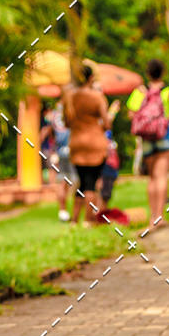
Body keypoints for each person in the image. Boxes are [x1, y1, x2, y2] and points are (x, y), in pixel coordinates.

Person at [64, 64, 116, 225]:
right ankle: (89, 220)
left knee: (81, 182)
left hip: (77, 142)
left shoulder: (70, 97)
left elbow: (67, 122)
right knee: (91, 184)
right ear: (91, 78)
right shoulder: (96, 97)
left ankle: (74, 220)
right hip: (95, 143)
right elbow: (107, 124)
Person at [127, 60, 169, 231]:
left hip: (146, 137)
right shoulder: (168, 91)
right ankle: (160, 217)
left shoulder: (140, 92)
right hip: (164, 135)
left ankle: (152, 217)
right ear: (162, 72)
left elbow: (131, 114)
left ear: (147, 73)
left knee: (152, 178)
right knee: (161, 176)